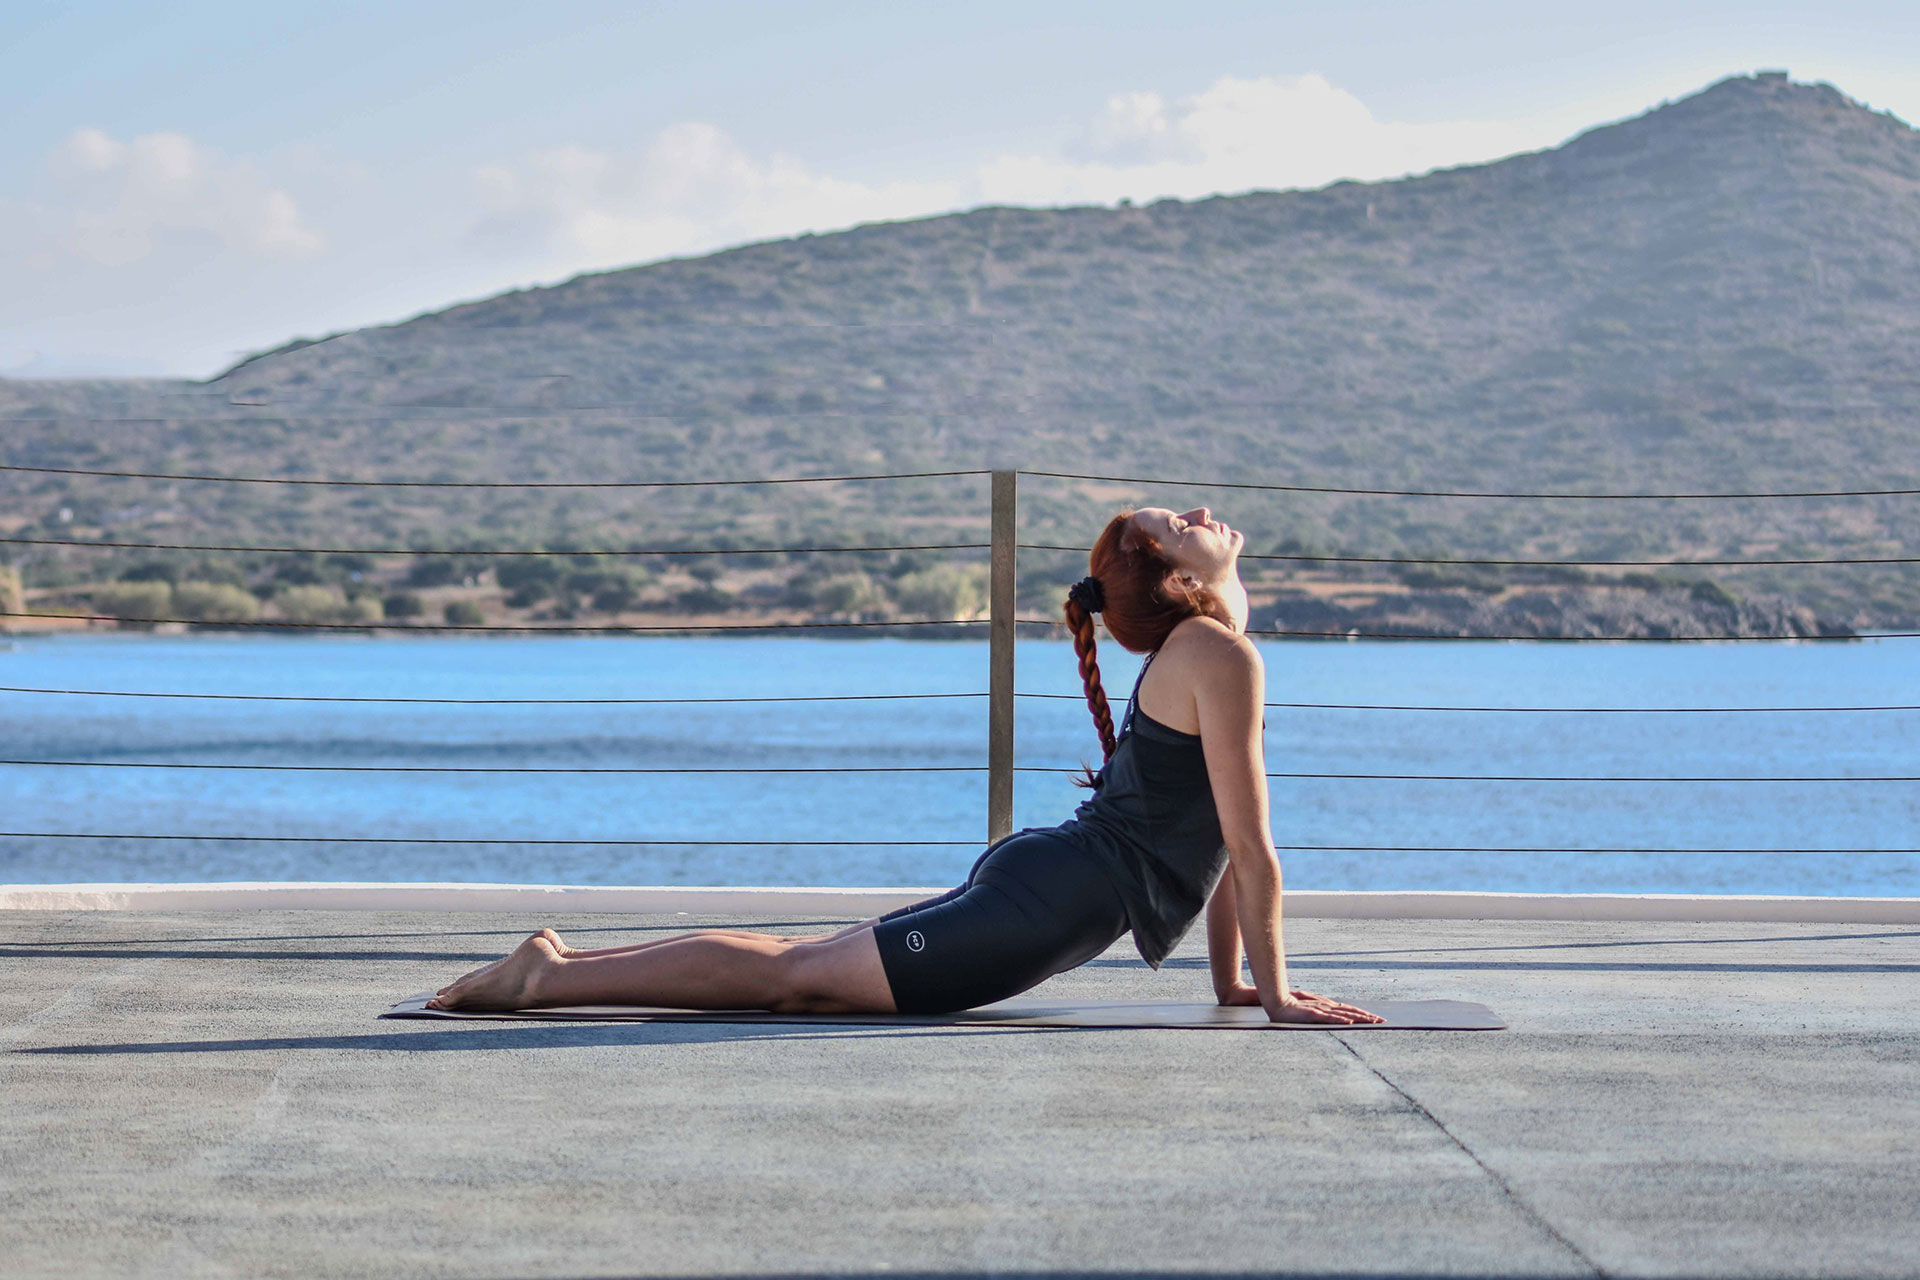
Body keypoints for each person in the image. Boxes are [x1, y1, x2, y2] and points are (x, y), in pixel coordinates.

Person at [428, 505, 1381, 1026]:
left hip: (1046, 883)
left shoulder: (1208, 654)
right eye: (1179, 521)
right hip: (1043, 902)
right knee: (794, 982)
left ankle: (552, 967)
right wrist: (1279, 994)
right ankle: (544, 984)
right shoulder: (1220, 656)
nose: (1202, 512)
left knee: (799, 967)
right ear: (1179, 579)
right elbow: (1251, 848)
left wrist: (1239, 984)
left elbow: (1218, 841)